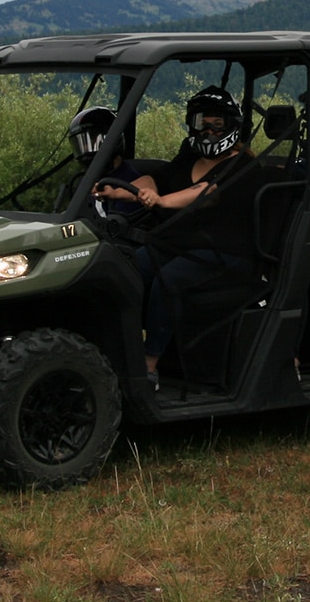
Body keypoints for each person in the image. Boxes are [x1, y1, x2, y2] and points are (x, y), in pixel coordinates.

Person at [97, 87, 264, 387]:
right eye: (202, 123)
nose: (209, 131)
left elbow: (206, 193)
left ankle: (149, 365)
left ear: (231, 126)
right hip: (182, 247)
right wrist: (124, 190)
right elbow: (156, 179)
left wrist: (160, 201)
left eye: (217, 124)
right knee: (128, 268)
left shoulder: (242, 165)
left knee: (166, 280)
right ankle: (115, 347)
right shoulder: (189, 156)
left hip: (226, 255)